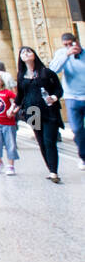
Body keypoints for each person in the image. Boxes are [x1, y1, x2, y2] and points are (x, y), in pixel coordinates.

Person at [17, 46, 66, 183]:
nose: (25, 54)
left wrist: (54, 98)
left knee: (49, 141)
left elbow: (58, 89)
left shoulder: (46, 72)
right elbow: (20, 95)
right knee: (41, 142)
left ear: (34, 54)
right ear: (20, 58)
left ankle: (54, 172)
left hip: (49, 110)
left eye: (28, 51)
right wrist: (14, 108)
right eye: (22, 53)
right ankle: (50, 169)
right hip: (32, 111)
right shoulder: (21, 75)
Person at [48, 32, 85, 171]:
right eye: (66, 45)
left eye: (71, 43)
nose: (69, 46)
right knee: (77, 129)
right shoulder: (62, 54)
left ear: (77, 41)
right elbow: (53, 70)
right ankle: (83, 156)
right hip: (72, 98)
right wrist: (66, 54)